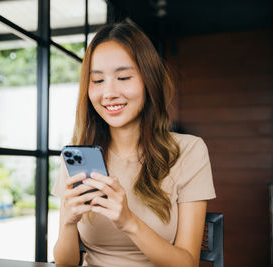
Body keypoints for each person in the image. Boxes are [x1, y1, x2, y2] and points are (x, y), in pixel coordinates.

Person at [51, 20, 216, 267]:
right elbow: (65, 264)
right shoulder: (78, 157)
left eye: (124, 77)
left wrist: (128, 221)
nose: (109, 93)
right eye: (97, 81)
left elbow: (188, 263)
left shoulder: (189, 151)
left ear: (149, 81)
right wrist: (68, 222)